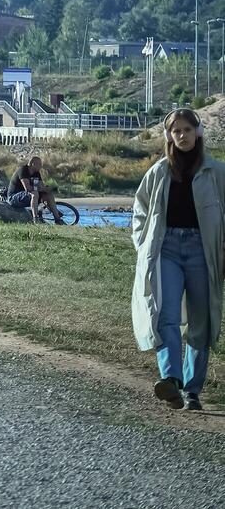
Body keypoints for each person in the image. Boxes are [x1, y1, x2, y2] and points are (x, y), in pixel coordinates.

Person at [132, 108, 225, 412]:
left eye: (187, 129)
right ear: (169, 136)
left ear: (199, 132)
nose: (182, 135)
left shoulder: (216, 172)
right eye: (176, 131)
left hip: (202, 250)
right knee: (165, 315)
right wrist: (143, 244)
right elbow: (140, 212)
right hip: (167, 248)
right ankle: (170, 380)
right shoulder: (159, 171)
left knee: (200, 321)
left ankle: (193, 391)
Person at [7, 156, 62, 223]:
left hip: (28, 196)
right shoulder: (23, 170)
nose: (41, 166)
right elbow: (28, 188)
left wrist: (48, 189)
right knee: (34, 193)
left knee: (48, 194)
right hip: (14, 198)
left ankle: (57, 219)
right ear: (33, 164)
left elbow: (41, 186)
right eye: (39, 164)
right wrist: (41, 189)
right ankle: (35, 219)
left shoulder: (36, 173)